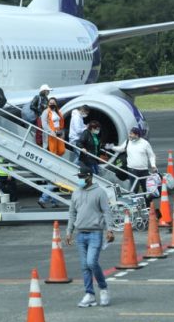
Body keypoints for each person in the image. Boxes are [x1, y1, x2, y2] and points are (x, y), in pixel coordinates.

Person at [65, 169, 114, 308]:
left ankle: (103, 288)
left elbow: (106, 211)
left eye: (82, 176)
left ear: (90, 177)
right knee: (84, 266)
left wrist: (109, 229)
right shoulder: (76, 193)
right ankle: (90, 294)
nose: (80, 179)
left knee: (91, 262)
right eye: (79, 176)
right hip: (81, 234)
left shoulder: (100, 192)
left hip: (95, 233)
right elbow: (72, 213)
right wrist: (69, 232)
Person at [108, 127, 157, 193]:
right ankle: (135, 201)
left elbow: (151, 155)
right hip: (132, 170)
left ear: (137, 135)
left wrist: (153, 165)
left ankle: (147, 202)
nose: (129, 135)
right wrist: (112, 147)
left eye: (131, 134)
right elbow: (121, 149)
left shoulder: (145, 143)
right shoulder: (128, 141)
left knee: (146, 188)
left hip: (144, 170)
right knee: (134, 188)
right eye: (129, 134)